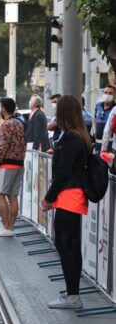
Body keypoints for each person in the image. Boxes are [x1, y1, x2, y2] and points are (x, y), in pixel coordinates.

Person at [41, 95, 89, 309]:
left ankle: (73, 296)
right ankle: (72, 293)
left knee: (65, 243)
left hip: (69, 195)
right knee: (69, 244)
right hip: (72, 195)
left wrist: (49, 197)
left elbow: (63, 171)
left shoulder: (70, 137)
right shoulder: (79, 135)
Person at [0, 98, 26, 237]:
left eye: (0, 107)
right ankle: (10, 227)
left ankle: (5, 227)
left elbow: (2, 146)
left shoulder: (6, 124)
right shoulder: (20, 123)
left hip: (7, 163)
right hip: (19, 163)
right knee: (13, 196)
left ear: (4, 108)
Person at [92, 85, 115, 153]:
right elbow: (95, 119)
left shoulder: (114, 109)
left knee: (108, 162)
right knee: (97, 161)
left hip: (110, 142)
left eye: (110, 93)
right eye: (105, 92)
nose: (107, 95)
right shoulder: (98, 106)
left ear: (114, 95)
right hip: (98, 142)